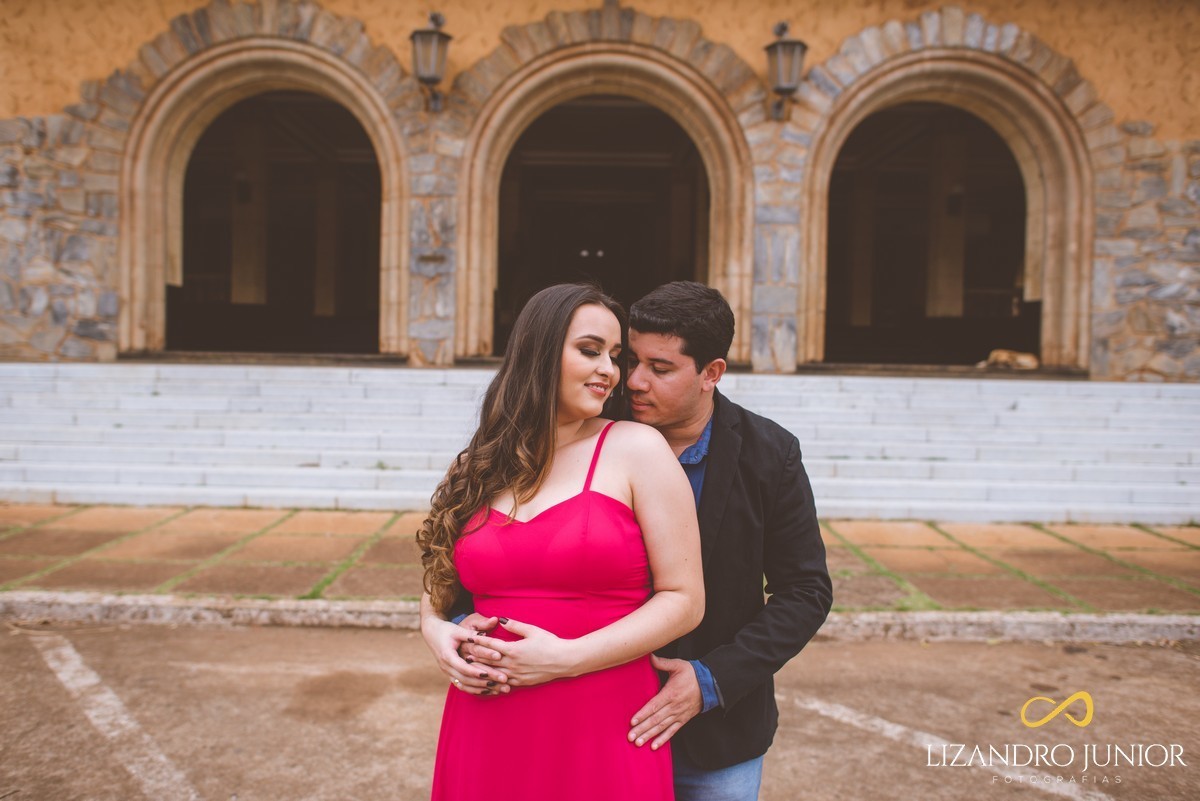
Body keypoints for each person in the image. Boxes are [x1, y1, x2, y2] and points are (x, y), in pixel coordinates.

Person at [462, 281, 832, 800]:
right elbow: (493, 556)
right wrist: (462, 631)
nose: (630, 380)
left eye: (659, 369)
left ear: (711, 374)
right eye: (629, 359)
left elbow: (806, 591)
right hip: (586, 718)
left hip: (714, 733)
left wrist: (709, 682)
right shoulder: (585, 423)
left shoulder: (770, 454)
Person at [417, 283, 705, 801]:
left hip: (602, 715)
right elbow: (440, 577)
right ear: (541, 350)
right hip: (486, 716)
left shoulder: (636, 448)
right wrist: (434, 631)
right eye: (590, 351)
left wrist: (567, 658)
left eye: (614, 357)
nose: (610, 371)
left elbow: (684, 601)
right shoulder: (483, 463)